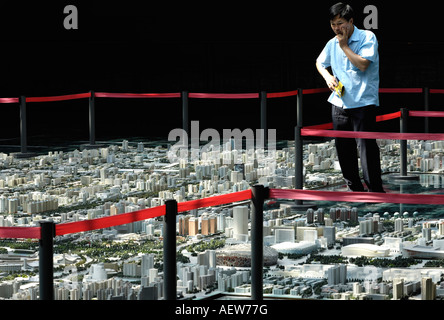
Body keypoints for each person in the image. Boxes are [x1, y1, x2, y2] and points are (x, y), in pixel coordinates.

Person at [315, 2, 385, 192]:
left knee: (366, 149)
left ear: (351, 21)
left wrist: (344, 46)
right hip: (339, 103)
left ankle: (375, 191)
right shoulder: (331, 43)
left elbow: (363, 64)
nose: (337, 28)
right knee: (343, 149)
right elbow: (319, 62)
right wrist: (328, 76)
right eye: (333, 24)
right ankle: (354, 190)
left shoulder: (367, 37)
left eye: (340, 23)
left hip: (363, 101)